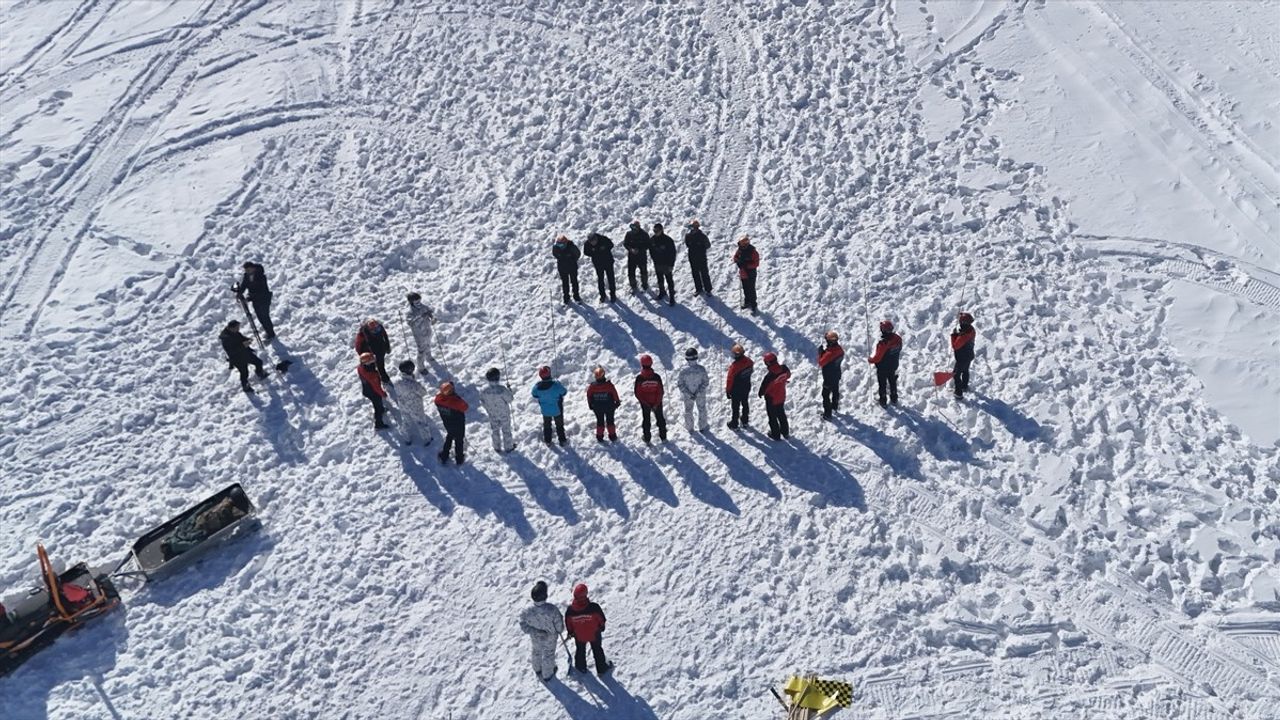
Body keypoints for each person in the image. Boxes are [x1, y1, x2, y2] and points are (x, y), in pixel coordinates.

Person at [519, 581, 564, 682]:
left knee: (536, 651)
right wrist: (560, 630)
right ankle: (547, 674)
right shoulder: (552, 609)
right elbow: (559, 626)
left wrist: (534, 631)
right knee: (548, 654)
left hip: (536, 637)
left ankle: (537, 668)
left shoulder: (527, 611)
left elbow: (523, 624)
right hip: (550, 638)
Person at [564, 583, 611, 676]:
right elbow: (601, 619)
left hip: (579, 635)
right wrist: (601, 627)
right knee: (597, 650)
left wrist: (571, 632)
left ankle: (580, 667)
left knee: (580, 650)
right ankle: (601, 669)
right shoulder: (594, 607)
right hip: (594, 634)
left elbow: (568, 623)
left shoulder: (570, 611)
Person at [220, 320, 268, 393]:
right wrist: (243, 345)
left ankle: (260, 373)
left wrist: (247, 339)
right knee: (244, 372)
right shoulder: (226, 339)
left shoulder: (234, 332)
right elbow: (231, 352)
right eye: (237, 328)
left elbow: (241, 337)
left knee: (258, 362)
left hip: (245, 353)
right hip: (237, 359)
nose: (238, 329)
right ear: (231, 328)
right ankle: (245, 386)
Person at [395, 360, 435, 446]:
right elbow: (423, 392)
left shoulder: (397, 382)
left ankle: (406, 439)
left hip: (403, 406)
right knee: (421, 422)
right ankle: (427, 439)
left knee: (406, 422)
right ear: (410, 371)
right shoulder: (414, 385)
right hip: (415, 407)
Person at [234, 261, 276, 340]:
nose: (247, 272)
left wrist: (249, 298)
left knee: (265, 317)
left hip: (264, 299)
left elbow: (261, 290)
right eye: (246, 270)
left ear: (253, 268)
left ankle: (271, 333)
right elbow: (244, 285)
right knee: (260, 317)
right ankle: (268, 331)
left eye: (249, 270)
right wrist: (239, 293)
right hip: (255, 300)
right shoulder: (247, 276)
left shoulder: (261, 276)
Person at [868, 320, 903, 407]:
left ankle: (883, 400)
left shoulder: (883, 343)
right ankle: (894, 398)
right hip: (893, 365)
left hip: (883, 367)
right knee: (892, 381)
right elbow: (899, 348)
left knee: (882, 384)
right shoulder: (898, 338)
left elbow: (877, 358)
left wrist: (870, 360)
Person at [480, 367, 515, 452]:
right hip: (504, 414)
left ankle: (497, 447)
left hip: (492, 414)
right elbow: (510, 399)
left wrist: (488, 410)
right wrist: (509, 390)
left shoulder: (484, 390)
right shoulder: (502, 389)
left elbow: (482, 402)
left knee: (495, 430)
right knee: (506, 430)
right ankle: (509, 447)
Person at [633, 354, 667, 443]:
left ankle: (647, 438)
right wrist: (656, 403)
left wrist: (645, 404)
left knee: (646, 420)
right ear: (651, 363)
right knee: (660, 418)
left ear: (641, 364)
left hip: (645, 404)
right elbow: (660, 391)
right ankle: (663, 437)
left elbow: (637, 393)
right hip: (657, 402)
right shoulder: (656, 377)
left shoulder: (639, 378)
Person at [532, 365, 569, 445]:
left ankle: (548, 440)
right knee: (559, 425)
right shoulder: (556, 385)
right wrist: (558, 383)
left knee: (547, 425)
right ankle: (562, 440)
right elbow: (564, 392)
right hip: (557, 410)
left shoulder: (537, 387)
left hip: (545, 410)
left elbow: (534, 394)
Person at [758, 352, 792, 440]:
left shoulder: (769, 376)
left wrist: (760, 393)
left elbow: (763, 390)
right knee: (781, 414)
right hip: (781, 396)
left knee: (772, 417)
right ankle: (785, 432)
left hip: (771, 399)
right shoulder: (784, 368)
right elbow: (788, 375)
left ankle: (775, 434)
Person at [676, 347, 710, 432]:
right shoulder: (701, 369)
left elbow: (680, 384)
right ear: (696, 357)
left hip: (688, 395)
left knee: (688, 410)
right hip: (700, 394)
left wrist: (688, 393)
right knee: (702, 409)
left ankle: (689, 427)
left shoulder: (683, 371)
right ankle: (702, 427)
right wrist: (698, 393)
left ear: (686, 358)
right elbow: (705, 382)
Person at [434, 381, 468, 464]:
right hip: (458, 423)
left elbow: (441, 397)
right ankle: (459, 458)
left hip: (447, 423)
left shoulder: (438, 400)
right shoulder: (455, 401)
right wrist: (456, 397)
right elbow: (465, 407)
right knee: (459, 440)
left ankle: (444, 455)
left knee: (450, 436)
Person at [586, 366, 621, 442]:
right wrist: (617, 402)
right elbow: (615, 394)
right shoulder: (609, 385)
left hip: (597, 408)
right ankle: (612, 436)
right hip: (609, 407)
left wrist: (590, 404)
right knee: (610, 421)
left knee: (600, 421)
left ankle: (599, 436)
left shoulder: (592, 386)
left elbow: (589, 396)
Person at [355, 318, 392, 384]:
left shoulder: (379, 327)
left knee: (380, 364)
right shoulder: (362, 334)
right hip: (369, 353)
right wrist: (363, 356)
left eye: (377, 329)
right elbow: (358, 346)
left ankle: (384, 377)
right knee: (371, 368)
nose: (377, 331)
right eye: (374, 331)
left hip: (381, 349)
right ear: (369, 330)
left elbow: (385, 335)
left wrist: (387, 346)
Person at [725, 343, 754, 429]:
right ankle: (745, 420)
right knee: (745, 403)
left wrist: (728, 390)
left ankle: (734, 423)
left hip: (736, 389)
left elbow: (730, 379)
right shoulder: (749, 361)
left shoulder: (734, 366)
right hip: (746, 386)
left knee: (735, 406)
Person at [583, 232, 618, 303]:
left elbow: (611, 245)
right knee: (600, 279)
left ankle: (613, 294)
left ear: (596, 238)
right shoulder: (587, 244)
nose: (593, 243)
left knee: (611, 278)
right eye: (591, 242)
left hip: (608, 261)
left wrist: (604, 249)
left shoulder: (603, 239)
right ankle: (602, 295)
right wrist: (593, 253)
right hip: (598, 263)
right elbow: (586, 252)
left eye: (594, 241)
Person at [357, 352, 389, 430]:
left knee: (378, 404)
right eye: (372, 361)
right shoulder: (372, 375)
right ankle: (378, 424)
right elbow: (376, 387)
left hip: (367, 390)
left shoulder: (360, 368)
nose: (374, 362)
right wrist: (383, 393)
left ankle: (381, 409)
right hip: (373, 392)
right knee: (377, 406)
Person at [405, 292, 436, 371]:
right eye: (416, 302)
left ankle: (429, 356)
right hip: (419, 334)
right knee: (421, 350)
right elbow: (410, 323)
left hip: (427, 329)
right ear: (412, 302)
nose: (419, 303)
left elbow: (429, 311)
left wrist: (432, 318)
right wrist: (420, 317)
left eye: (419, 301)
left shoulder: (423, 307)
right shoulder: (410, 312)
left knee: (428, 344)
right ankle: (421, 367)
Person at [818, 330, 844, 420]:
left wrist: (821, 353)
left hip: (828, 377)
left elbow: (821, 362)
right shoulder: (840, 349)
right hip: (836, 374)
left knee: (825, 394)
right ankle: (834, 406)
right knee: (835, 390)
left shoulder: (829, 354)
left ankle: (827, 414)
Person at [649, 222, 677, 305]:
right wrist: (654, 259)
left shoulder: (668, 240)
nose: (655, 232)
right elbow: (651, 250)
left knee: (669, 280)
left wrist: (671, 265)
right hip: (657, 263)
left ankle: (672, 297)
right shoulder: (652, 239)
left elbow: (673, 253)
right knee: (660, 279)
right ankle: (662, 292)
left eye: (657, 230)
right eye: (654, 230)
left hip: (666, 264)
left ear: (661, 230)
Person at [950, 312, 976, 398]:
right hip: (969, 355)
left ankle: (958, 393)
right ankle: (964, 386)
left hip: (962, 357)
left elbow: (955, 346)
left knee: (956, 374)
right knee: (965, 370)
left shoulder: (963, 336)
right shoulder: (971, 330)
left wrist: (954, 335)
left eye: (961, 322)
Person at [684, 219, 712, 295]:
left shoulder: (702, 236)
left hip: (701, 257)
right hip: (692, 257)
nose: (691, 229)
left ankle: (708, 289)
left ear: (696, 227)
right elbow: (687, 244)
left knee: (704, 273)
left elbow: (708, 245)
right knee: (695, 273)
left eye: (692, 227)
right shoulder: (688, 236)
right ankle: (698, 288)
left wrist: (701, 247)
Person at [732, 236, 760, 312]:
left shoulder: (753, 252)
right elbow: (735, 257)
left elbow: (756, 263)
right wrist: (738, 261)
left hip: (751, 272)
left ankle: (753, 304)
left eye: (743, 244)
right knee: (745, 288)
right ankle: (747, 302)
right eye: (741, 244)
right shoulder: (740, 250)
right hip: (743, 272)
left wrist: (747, 265)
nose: (742, 245)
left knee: (751, 288)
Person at [552, 235, 582, 304]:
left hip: (572, 267)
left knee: (574, 281)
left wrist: (572, 260)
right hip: (562, 268)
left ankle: (576, 296)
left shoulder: (572, 247)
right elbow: (555, 254)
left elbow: (577, 254)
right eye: (558, 244)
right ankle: (566, 297)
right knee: (565, 283)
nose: (559, 246)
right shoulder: (555, 247)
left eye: (561, 244)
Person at [623, 221, 651, 292]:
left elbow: (648, 244)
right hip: (632, 256)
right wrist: (631, 249)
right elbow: (626, 243)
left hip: (641, 256)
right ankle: (633, 285)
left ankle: (644, 284)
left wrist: (640, 250)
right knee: (631, 272)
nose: (634, 229)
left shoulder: (644, 234)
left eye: (636, 227)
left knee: (643, 271)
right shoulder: (629, 234)